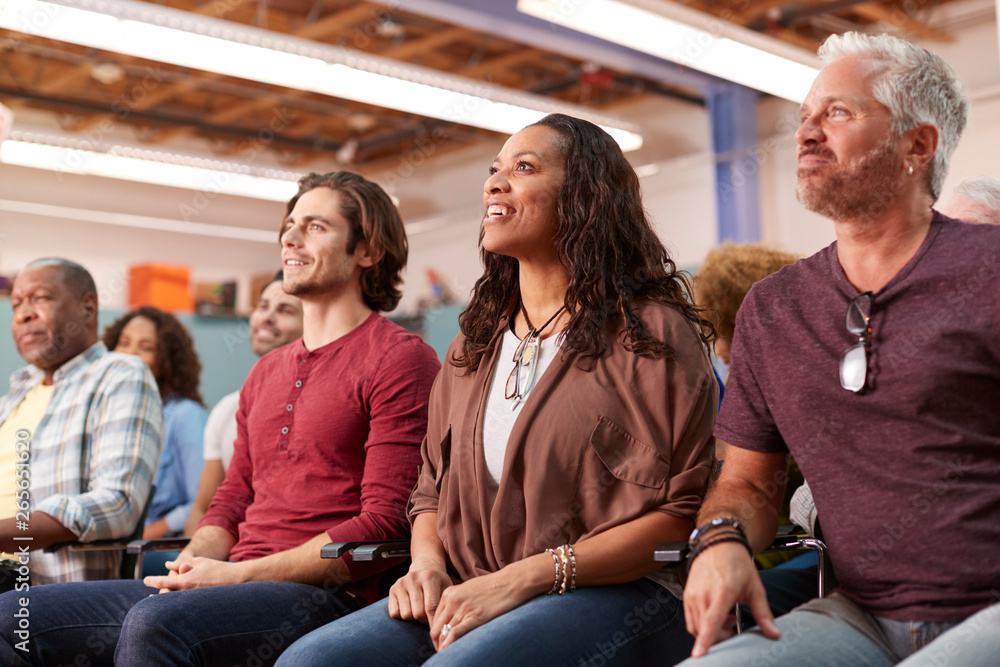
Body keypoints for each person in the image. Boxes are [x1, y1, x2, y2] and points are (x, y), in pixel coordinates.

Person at [276, 113, 719, 667]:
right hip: (468, 583)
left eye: (524, 168)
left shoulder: (649, 334)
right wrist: (426, 566)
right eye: (494, 170)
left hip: (615, 589)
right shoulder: (474, 342)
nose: (494, 182)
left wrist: (525, 579)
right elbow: (431, 493)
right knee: (312, 662)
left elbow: (679, 515)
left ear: (583, 197)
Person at [0, 172, 441, 667]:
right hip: (237, 577)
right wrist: (196, 561)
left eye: (315, 227)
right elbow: (232, 499)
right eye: (289, 226)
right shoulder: (266, 371)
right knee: (12, 615)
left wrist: (235, 576)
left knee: (157, 624)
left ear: (368, 251)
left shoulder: (401, 359)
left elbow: (381, 526)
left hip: (334, 594)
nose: (289, 239)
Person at [677, 32, 1000, 667]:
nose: (805, 133)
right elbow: (748, 481)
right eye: (805, 117)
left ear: (918, 144)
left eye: (839, 113)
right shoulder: (774, 308)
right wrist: (721, 539)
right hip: (856, 615)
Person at [0, 258, 162, 586]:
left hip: (36, 583)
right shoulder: (14, 395)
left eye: (40, 298)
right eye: (16, 303)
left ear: (87, 308)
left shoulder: (119, 374)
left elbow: (118, 504)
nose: (23, 313)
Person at [184, 274, 303, 535]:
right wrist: (186, 563)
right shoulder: (228, 408)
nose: (267, 318)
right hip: (227, 551)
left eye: (285, 310)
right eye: (262, 307)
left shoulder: (316, 405)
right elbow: (203, 509)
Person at [102, 306, 208, 539]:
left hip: (157, 547)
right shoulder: (102, 416)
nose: (130, 354)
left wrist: (143, 535)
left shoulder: (185, 415)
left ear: (166, 361)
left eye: (146, 347)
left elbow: (203, 503)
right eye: (124, 342)